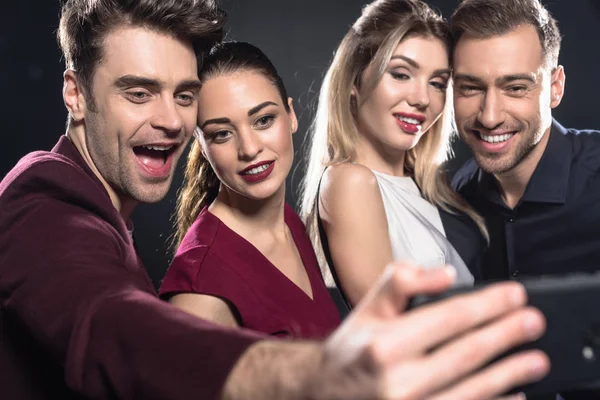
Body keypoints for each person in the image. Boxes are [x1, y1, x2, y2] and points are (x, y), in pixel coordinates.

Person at [0, 0, 550, 398]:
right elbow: (110, 324)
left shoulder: (285, 216)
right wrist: (315, 375)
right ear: (75, 91)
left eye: (183, 96)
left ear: (290, 114)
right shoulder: (43, 198)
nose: (169, 120)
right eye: (138, 92)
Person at [450, 0, 600, 397]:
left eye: (515, 87)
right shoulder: (455, 200)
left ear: (555, 87)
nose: (489, 115)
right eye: (470, 87)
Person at [300, 0, 487, 309]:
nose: (422, 98)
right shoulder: (350, 182)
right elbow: (387, 325)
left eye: (438, 83)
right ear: (354, 82)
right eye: (401, 74)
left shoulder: (429, 191)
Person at [159, 41, 341, 338]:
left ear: (291, 115)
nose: (250, 148)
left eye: (264, 120)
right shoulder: (200, 292)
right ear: (202, 147)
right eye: (222, 134)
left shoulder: (287, 221)